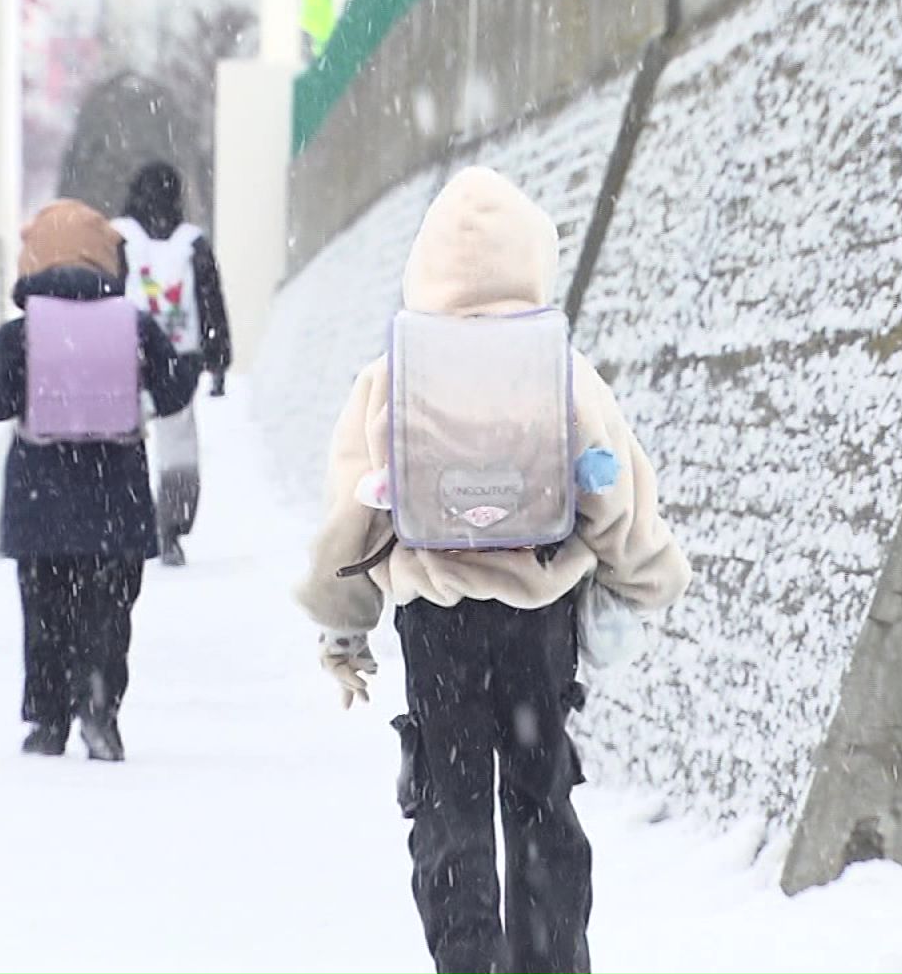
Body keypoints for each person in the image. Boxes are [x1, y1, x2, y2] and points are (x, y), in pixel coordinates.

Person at [294, 167, 691, 974]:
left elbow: (353, 517)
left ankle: (468, 958)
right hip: (538, 622)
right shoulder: (561, 370)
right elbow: (616, 495)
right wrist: (644, 581)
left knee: (451, 805)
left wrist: (343, 626)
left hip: (436, 623)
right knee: (540, 801)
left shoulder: (390, 377)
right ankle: (547, 959)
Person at [0, 199, 201, 762]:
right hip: (116, 490)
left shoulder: (23, 332)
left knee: (44, 610)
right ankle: (100, 704)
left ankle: (48, 720)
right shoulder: (133, 326)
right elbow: (172, 394)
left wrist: (30, 391)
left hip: (39, 494)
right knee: (109, 609)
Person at [114, 161, 233, 567]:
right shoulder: (192, 243)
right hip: (181, 355)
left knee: (123, 437)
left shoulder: (119, 237)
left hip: (124, 350)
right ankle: (171, 526)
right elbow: (211, 301)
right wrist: (218, 360)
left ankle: (128, 518)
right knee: (178, 441)